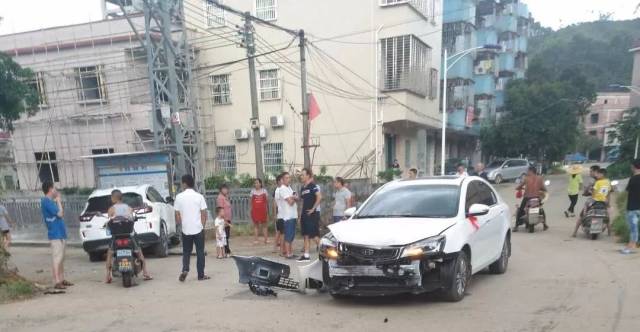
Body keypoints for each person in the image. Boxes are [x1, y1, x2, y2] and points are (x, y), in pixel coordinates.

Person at [104, 190, 152, 283]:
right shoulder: (129, 208)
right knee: (139, 252)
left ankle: (107, 276)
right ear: (121, 197)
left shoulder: (111, 209)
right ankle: (145, 273)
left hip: (116, 236)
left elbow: (109, 220)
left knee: (110, 254)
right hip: (129, 235)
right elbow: (132, 218)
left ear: (113, 198)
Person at [174, 174, 209, 281]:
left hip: (186, 229)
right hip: (198, 228)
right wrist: (202, 226)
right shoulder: (199, 196)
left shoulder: (179, 197)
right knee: (200, 252)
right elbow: (204, 213)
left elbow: (177, 214)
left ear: (184, 183)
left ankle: (185, 269)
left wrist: (181, 225)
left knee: (186, 251)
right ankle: (201, 275)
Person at [41, 180, 72, 290]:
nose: (56, 190)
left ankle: (62, 279)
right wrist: (58, 201)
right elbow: (60, 213)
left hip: (60, 233)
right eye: (55, 188)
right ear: (50, 189)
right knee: (57, 258)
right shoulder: (46, 201)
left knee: (61, 258)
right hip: (55, 234)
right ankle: (57, 281)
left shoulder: (49, 202)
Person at [572, 168, 611, 237]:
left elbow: (593, 191)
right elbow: (608, 192)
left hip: (595, 200)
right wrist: (608, 202)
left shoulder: (597, 182)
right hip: (604, 201)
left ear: (601, 174)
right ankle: (609, 232)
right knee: (606, 215)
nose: (596, 174)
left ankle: (574, 232)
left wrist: (589, 189)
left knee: (583, 212)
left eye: (597, 173)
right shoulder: (608, 181)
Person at [298, 168, 322, 262]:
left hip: (311, 215)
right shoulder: (303, 188)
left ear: (308, 176)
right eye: (301, 175)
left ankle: (328, 252)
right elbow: (302, 202)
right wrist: (300, 215)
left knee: (314, 235)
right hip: (304, 215)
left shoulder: (313, 186)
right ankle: (306, 255)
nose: (301, 176)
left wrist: (313, 209)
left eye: (303, 175)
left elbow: (319, 197)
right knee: (306, 235)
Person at [515, 166, 549, 232]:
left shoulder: (526, 178)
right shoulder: (540, 178)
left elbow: (519, 187)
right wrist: (540, 190)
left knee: (520, 210)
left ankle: (516, 226)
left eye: (528, 171)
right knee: (541, 210)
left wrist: (518, 188)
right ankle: (545, 225)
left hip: (527, 198)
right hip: (536, 198)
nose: (527, 172)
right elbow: (545, 189)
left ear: (531, 171)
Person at [275, 172, 298, 259]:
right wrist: (294, 197)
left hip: (293, 215)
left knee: (291, 236)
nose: (289, 179)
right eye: (287, 178)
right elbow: (291, 202)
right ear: (283, 180)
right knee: (288, 236)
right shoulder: (283, 189)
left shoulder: (289, 188)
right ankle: (288, 253)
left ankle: (291, 252)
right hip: (288, 216)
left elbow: (296, 198)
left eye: (289, 178)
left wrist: (294, 197)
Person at [621, 159, 640, 254]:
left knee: (633, 228)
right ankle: (636, 244)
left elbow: (626, 191)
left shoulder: (633, 179)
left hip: (633, 207)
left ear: (633, 166)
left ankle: (630, 247)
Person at [250, 178, 269, 245]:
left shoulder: (264, 191)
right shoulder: (252, 191)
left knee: (264, 225)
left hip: (263, 210)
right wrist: (251, 210)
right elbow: (251, 201)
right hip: (255, 210)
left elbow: (267, 201)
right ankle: (256, 240)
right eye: (255, 183)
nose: (256, 184)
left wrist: (267, 210)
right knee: (256, 225)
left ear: (260, 184)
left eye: (257, 183)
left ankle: (266, 239)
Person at [216, 184, 232, 255]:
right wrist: (224, 220)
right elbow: (221, 210)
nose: (226, 190)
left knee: (227, 235)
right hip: (223, 220)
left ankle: (226, 250)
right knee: (224, 235)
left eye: (226, 189)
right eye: (224, 189)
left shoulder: (225, 197)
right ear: (221, 189)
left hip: (227, 218)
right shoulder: (220, 198)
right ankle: (226, 250)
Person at [272, 174, 285, 254]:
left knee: (280, 232)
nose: (283, 181)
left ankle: (278, 247)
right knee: (280, 232)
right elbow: (274, 203)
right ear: (278, 182)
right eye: (282, 180)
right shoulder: (277, 190)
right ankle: (279, 248)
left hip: (284, 214)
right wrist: (274, 214)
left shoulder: (285, 189)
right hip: (280, 214)